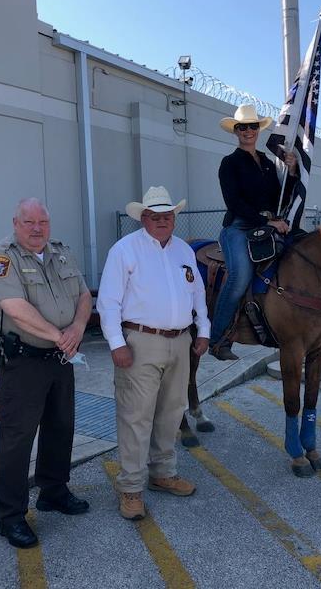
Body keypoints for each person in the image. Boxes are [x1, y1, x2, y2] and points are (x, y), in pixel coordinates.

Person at [0, 198, 92, 549]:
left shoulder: (62, 253)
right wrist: (59, 336)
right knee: (17, 438)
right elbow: (14, 308)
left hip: (61, 358)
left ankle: (54, 491)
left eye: (42, 222)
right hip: (23, 361)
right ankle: (10, 516)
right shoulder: (4, 258)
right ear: (16, 223)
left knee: (61, 427)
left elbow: (84, 296)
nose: (36, 229)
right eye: (28, 222)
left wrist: (77, 327)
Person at [97, 186, 210, 521]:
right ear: (143, 218)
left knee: (172, 411)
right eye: (155, 216)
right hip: (139, 342)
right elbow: (108, 302)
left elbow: (198, 294)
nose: (162, 221)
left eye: (168, 216)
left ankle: (163, 473)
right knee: (136, 415)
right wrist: (117, 343)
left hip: (180, 341)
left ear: (174, 218)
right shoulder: (124, 250)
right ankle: (131, 488)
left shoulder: (184, 252)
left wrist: (202, 331)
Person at [209, 104, 299, 360]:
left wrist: (291, 171)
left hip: (265, 226)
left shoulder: (269, 163)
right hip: (238, 227)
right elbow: (234, 202)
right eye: (242, 127)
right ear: (236, 131)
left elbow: (279, 198)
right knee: (240, 276)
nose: (248, 131)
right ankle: (218, 339)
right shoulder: (229, 163)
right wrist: (266, 222)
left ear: (258, 130)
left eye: (252, 126)